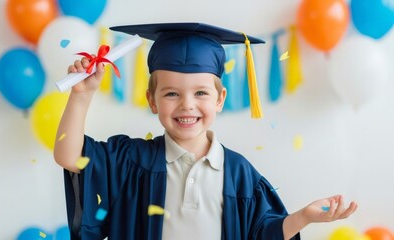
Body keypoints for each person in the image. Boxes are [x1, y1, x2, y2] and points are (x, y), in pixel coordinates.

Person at [54, 23, 357, 240]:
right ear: (152, 101)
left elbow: (265, 233)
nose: (187, 105)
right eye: (171, 94)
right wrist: (81, 95)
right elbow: (70, 157)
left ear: (220, 99)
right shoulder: (132, 160)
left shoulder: (237, 173)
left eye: (201, 93)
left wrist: (303, 217)